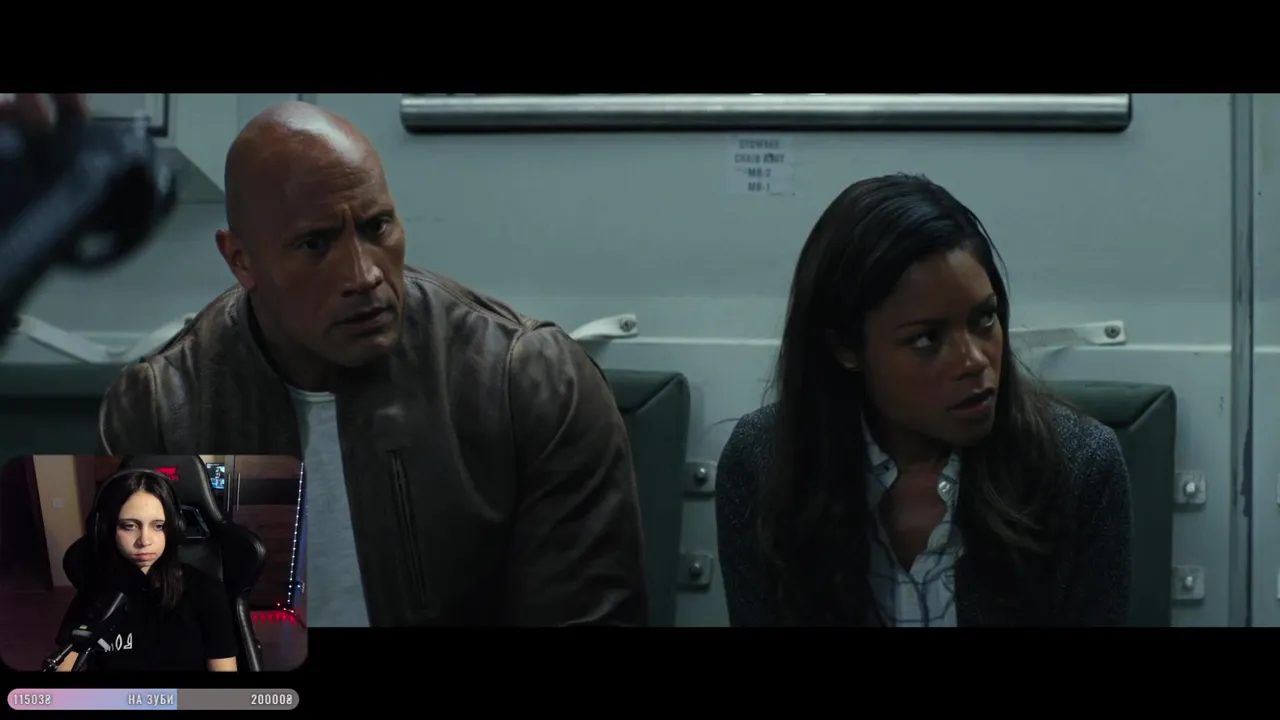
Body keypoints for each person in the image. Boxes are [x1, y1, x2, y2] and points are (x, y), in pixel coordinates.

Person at [96, 99, 648, 626]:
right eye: (315, 244)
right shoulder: (160, 409)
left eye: (377, 227)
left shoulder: (531, 379)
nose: (364, 276)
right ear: (241, 260)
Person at [716, 174, 1133, 627]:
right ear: (846, 348)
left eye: (984, 319)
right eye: (927, 339)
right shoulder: (764, 464)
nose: (974, 361)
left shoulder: (1078, 467)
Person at [53, 469, 238, 671]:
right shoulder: (96, 590)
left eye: (158, 526)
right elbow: (65, 664)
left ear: (173, 528)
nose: (145, 541)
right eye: (129, 526)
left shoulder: (207, 591)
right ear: (107, 529)